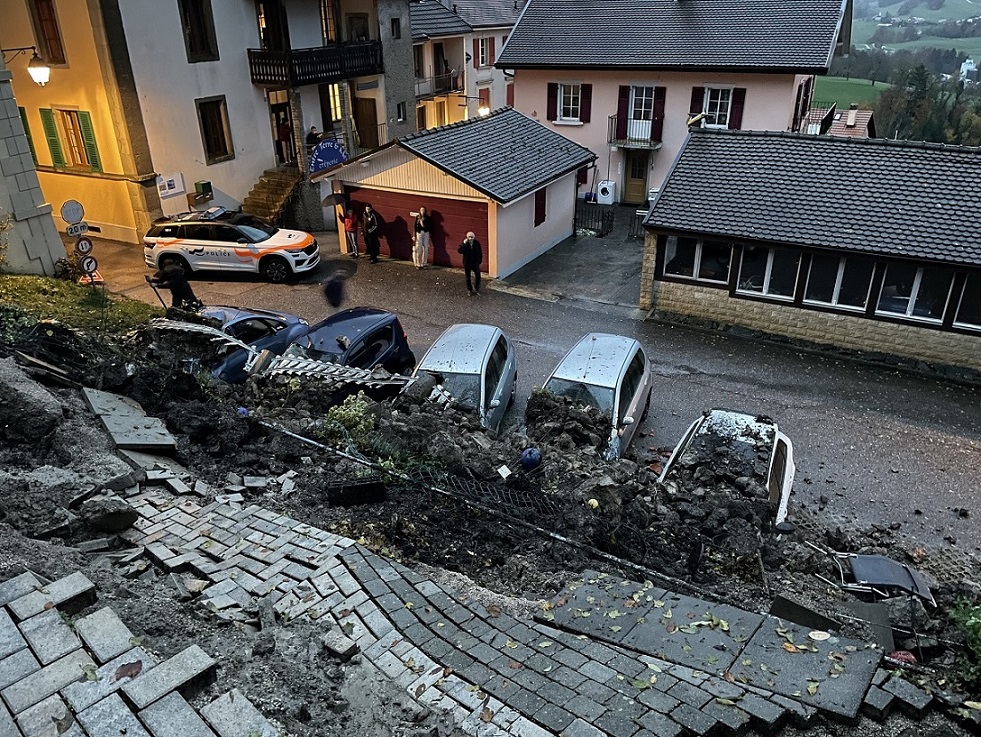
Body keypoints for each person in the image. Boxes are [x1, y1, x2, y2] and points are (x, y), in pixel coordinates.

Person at [457, 231, 482, 296]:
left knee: (478, 276)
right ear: (467, 237)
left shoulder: (477, 243)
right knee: (468, 278)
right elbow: (459, 251)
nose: (470, 238)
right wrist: (464, 244)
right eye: (469, 237)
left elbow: (480, 252)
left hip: (475, 263)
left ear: (474, 237)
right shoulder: (465, 244)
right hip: (467, 263)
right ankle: (470, 290)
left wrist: (479, 261)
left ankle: (477, 289)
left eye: (472, 237)